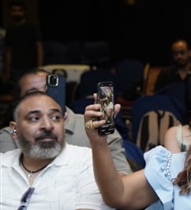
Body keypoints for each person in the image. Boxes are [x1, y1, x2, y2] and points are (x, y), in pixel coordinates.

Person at [0, 69, 131, 175]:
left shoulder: (97, 127)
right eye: (33, 94)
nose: (43, 98)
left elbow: (123, 182)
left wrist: (99, 143)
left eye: (48, 90)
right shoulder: (11, 134)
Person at [2, 1, 43, 83]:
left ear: (24, 12)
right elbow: (8, 52)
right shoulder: (10, 31)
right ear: (10, 12)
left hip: (31, 66)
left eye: (19, 11)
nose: (17, 13)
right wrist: (7, 71)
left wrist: (39, 67)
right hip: (15, 68)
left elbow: (39, 47)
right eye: (14, 11)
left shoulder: (32, 28)